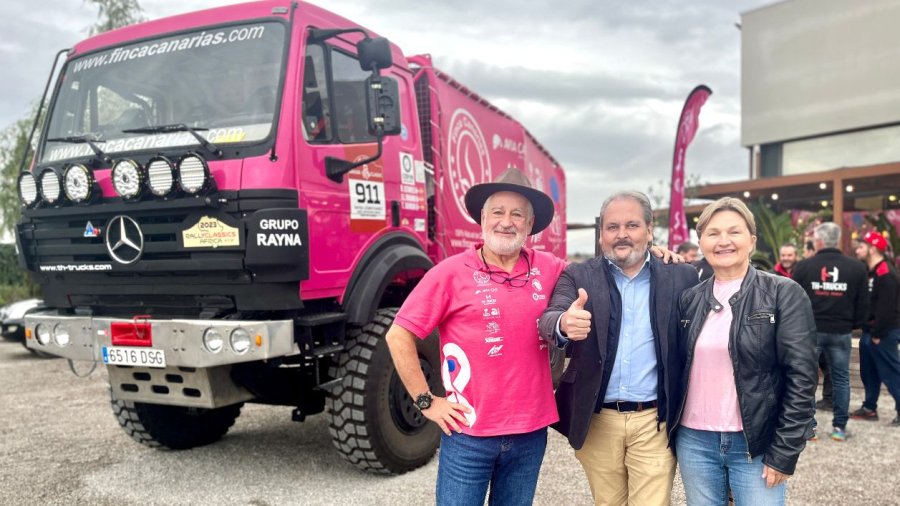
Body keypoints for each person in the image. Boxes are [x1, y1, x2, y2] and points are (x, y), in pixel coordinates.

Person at [385, 168, 566, 505]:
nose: (506, 222)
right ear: (482, 219)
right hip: (468, 433)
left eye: (517, 214)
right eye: (497, 212)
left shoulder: (551, 268)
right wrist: (426, 400)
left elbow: (600, 278)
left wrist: (653, 257)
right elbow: (399, 335)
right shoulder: (450, 272)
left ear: (530, 225)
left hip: (530, 433)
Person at [538, 191, 698, 506]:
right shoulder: (578, 274)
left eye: (632, 225)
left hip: (655, 420)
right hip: (597, 419)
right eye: (612, 227)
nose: (621, 234)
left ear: (650, 231)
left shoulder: (682, 276)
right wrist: (564, 323)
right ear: (601, 236)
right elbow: (549, 317)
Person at [673, 197, 816, 505]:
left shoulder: (783, 293)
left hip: (756, 443)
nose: (723, 241)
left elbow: (802, 376)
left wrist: (785, 451)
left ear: (752, 240)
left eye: (734, 232)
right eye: (713, 233)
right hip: (695, 441)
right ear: (701, 242)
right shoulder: (689, 299)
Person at [791, 222, 869, 442]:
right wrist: (853, 324)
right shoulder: (856, 267)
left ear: (819, 241)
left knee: (806, 379)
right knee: (841, 379)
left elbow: (795, 301)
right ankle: (839, 428)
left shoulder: (804, 267)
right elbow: (863, 303)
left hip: (810, 330)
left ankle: (810, 429)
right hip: (841, 330)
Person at [850, 231, 900, 427]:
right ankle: (869, 407)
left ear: (872, 249)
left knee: (891, 373)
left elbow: (887, 308)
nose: (857, 250)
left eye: (861, 246)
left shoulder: (885, 274)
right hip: (871, 331)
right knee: (869, 372)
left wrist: (878, 333)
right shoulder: (871, 271)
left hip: (883, 332)